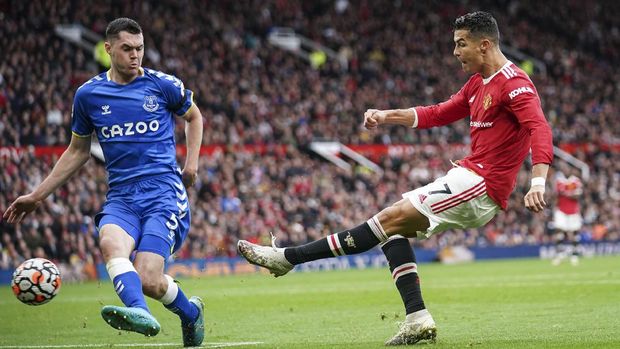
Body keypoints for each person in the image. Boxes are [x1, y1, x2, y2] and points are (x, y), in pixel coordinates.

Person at [237, 11, 553, 346]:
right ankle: (417, 317)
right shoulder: (477, 83)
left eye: (461, 44)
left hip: (480, 185)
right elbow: (439, 112)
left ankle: (287, 258)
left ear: (484, 45)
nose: (455, 52)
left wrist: (537, 182)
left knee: (386, 219)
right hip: (466, 177)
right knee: (391, 233)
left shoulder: (515, 84)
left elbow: (540, 128)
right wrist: (387, 115)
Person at [3, 18, 205, 347]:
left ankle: (190, 313)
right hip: (122, 197)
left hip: (163, 194)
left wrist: (192, 163)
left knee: (149, 278)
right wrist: (37, 195)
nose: (135, 55)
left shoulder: (162, 84)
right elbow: (77, 151)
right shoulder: (89, 95)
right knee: (110, 243)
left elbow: (194, 116)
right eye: (127, 49)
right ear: (108, 49)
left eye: (139, 48)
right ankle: (141, 312)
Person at [551, 167, 583, 266]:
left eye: (568, 168)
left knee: (574, 233)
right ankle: (560, 254)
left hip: (573, 211)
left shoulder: (576, 181)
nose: (566, 170)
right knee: (559, 231)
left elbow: (577, 196)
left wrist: (565, 193)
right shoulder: (559, 181)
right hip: (561, 210)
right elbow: (555, 195)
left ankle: (574, 255)